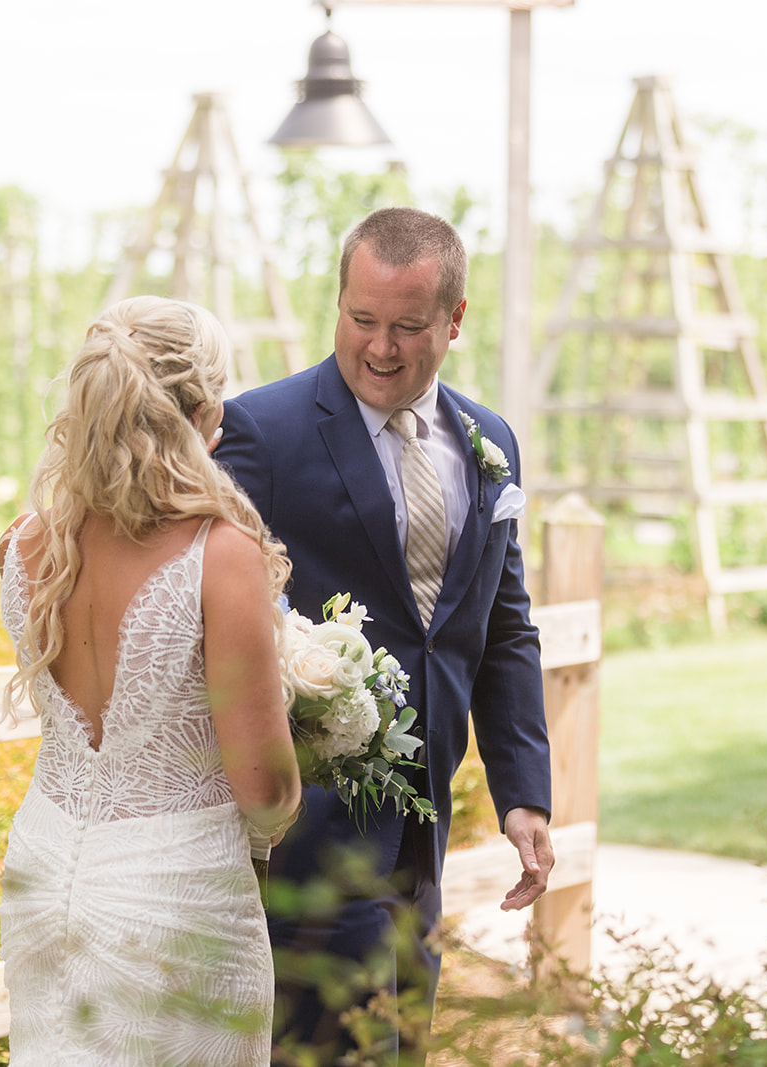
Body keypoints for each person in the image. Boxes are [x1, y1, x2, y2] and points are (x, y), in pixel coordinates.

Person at [215, 206, 554, 1061]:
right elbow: (183, 573)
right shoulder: (263, 428)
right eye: (362, 320)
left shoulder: (491, 440)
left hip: (425, 827)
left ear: (455, 320)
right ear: (339, 303)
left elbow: (502, 628)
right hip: (308, 838)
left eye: (408, 327)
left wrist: (524, 793)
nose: (381, 347)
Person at [0, 295, 302, 1066]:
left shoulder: (28, 544)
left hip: (43, 871)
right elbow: (264, 786)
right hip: (177, 901)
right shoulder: (219, 553)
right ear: (202, 413)